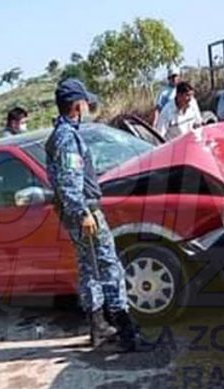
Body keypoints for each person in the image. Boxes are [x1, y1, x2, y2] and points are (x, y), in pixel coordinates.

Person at [45, 79, 153, 353]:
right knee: (108, 266)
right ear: (76, 106)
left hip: (77, 212)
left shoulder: (61, 134)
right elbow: (70, 181)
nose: (89, 107)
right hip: (85, 212)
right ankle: (127, 332)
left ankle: (99, 327)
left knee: (90, 268)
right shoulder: (67, 138)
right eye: (85, 102)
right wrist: (84, 212)